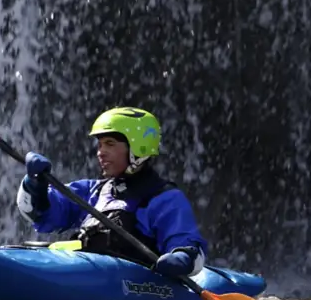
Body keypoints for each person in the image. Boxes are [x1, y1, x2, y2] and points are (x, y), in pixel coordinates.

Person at [16, 107, 208, 276]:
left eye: (110, 144)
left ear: (137, 149)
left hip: (132, 285)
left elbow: (188, 245)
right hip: (86, 273)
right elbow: (37, 213)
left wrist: (182, 258)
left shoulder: (164, 199)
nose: (100, 152)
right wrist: (35, 184)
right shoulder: (91, 191)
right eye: (99, 145)